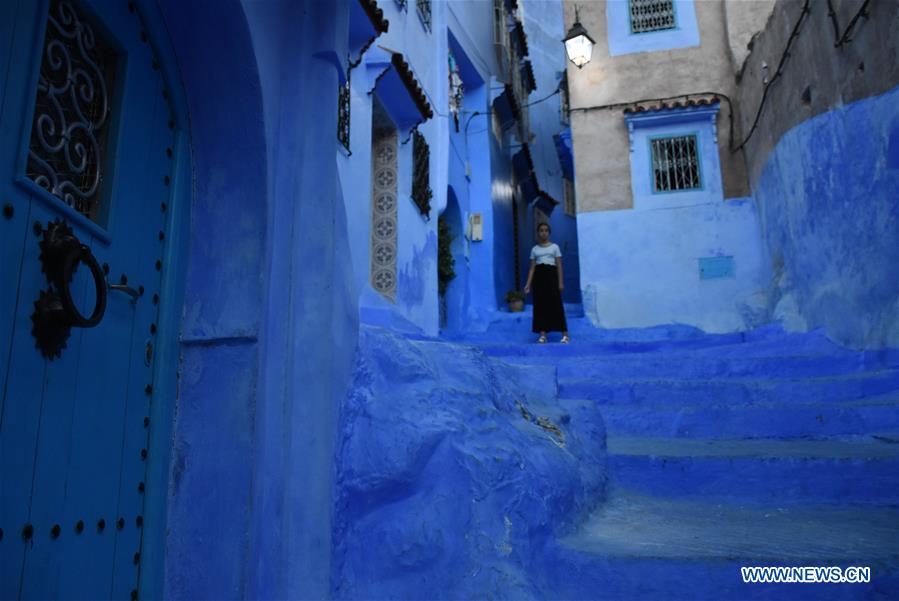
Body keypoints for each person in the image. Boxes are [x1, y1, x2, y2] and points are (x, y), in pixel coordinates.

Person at [523, 223, 569, 343]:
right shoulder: (534, 249)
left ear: (549, 233)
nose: (544, 233)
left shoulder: (555, 247)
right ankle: (542, 334)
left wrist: (560, 282)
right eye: (541, 230)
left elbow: (559, 265)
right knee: (540, 306)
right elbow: (532, 268)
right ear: (538, 233)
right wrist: (528, 284)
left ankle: (564, 334)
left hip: (552, 276)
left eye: (546, 230)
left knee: (556, 305)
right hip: (539, 279)